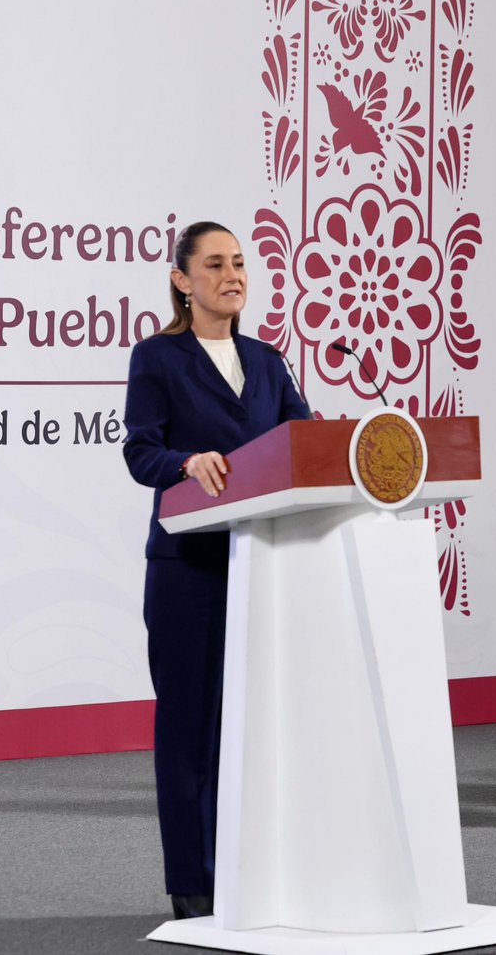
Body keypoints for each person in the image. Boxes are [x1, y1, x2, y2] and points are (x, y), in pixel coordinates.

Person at [123, 221, 313, 918]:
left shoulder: (267, 359)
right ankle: (194, 886)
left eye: (238, 263)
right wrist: (185, 463)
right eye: (214, 265)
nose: (231, 275)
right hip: (190, 568)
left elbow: (304, 439)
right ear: (182, 280)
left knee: (255, 729)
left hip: (263, 564)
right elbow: (141, 452)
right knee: (191, 729)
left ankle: (251, 876)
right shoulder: (158, 357)